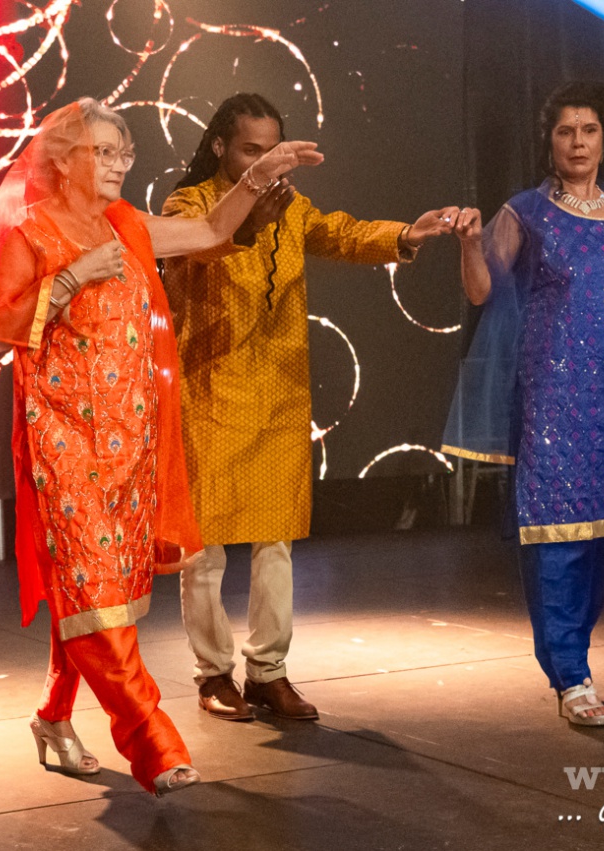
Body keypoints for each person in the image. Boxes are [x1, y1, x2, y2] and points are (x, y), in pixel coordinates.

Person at [0, 98, 321, 794]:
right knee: (91, 584)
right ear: (65, 160)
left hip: (129, 444)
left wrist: (257, 176)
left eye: (125, 152)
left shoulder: (127, 224)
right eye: (105, 153)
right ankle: (153, 742)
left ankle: (52, 716)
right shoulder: (31, 231)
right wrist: (69, 279)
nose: (121, 164)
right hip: (63, 438)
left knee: (96, 593)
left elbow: (210, 229)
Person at [160, 93, 457, 723]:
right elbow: (204, 245)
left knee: (276, 541)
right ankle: (214, 674)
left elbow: (340, 234)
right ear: (219, 146)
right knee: (204, 549)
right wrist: (249, 211)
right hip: (209, 392)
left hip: (279, 392)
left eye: (273, 151)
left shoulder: (291, 207)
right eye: (251, 151)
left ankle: (269, 673)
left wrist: (405, 234)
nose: (265, 163)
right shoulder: (187, 205)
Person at [442, 81, 604, 727]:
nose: (577, 142)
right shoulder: (525, 212)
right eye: (565, 131)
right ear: (549, 140)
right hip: (553, 397)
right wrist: (469, 243)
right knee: (556, 536)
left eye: (588, 130)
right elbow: (481, 293)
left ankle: (573, 653)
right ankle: (570, 674)